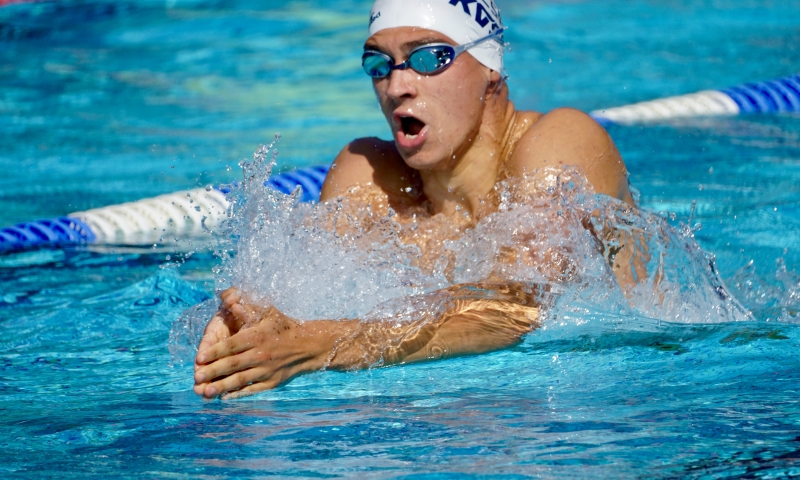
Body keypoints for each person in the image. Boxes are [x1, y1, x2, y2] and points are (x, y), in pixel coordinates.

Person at [193, 0, 635, 399]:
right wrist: (253, 323)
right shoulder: (368, 173)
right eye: (379, 64)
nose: (397, 85)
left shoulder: (561, 142)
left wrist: (316, 346)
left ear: (489, 65)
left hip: (624, 395)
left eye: (429, 58)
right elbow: (307, 295)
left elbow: (519, 307)